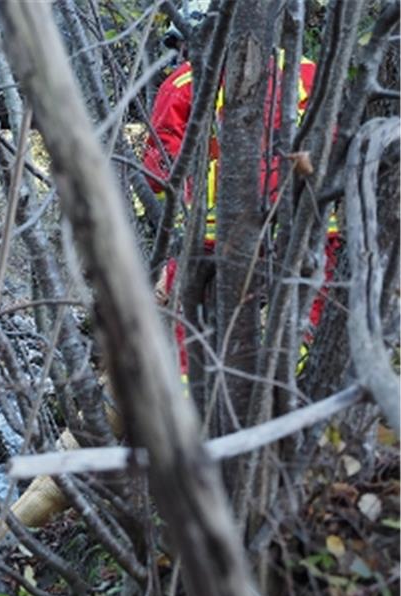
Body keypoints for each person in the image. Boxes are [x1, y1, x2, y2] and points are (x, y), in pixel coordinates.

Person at [142, 1, 338, 373]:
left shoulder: (183, 83)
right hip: (311, 222)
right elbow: (331, 141)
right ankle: (295, 398)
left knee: (188, 335)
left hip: (219, 236)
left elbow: (158, 173)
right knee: (307, 324)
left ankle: (189, 413)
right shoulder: (307, 71)